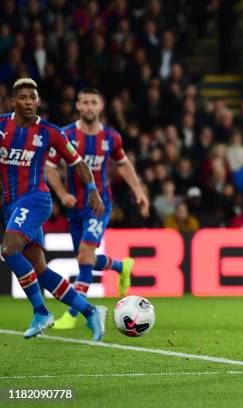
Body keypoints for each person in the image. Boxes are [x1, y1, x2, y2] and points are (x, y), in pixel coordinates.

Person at [1, 78, 107, 340]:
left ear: (38, 101)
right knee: (40, 269)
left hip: (36, 199)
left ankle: (40, 311)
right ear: (14, 101)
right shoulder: (2, 125)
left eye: (33, 98)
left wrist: (92, 189)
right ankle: (90, 311)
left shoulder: (49, 132)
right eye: (23, 97)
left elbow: (78, 162)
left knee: (8, 249)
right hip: (10, 205)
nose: (28, 102)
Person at [46, 87, 149, 330]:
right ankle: (122, 267)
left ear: (101, 106)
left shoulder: (111, 138)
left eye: (94, 102)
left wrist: (139, 191)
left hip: (99, 204)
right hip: (75, 208)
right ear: (78, 106)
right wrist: (62, 193)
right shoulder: (66, 134)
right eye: (85, 102)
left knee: (84, 255)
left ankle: (74, 313)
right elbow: (49, 167)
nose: (90, 107)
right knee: (86, 259)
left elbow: (123, 165)